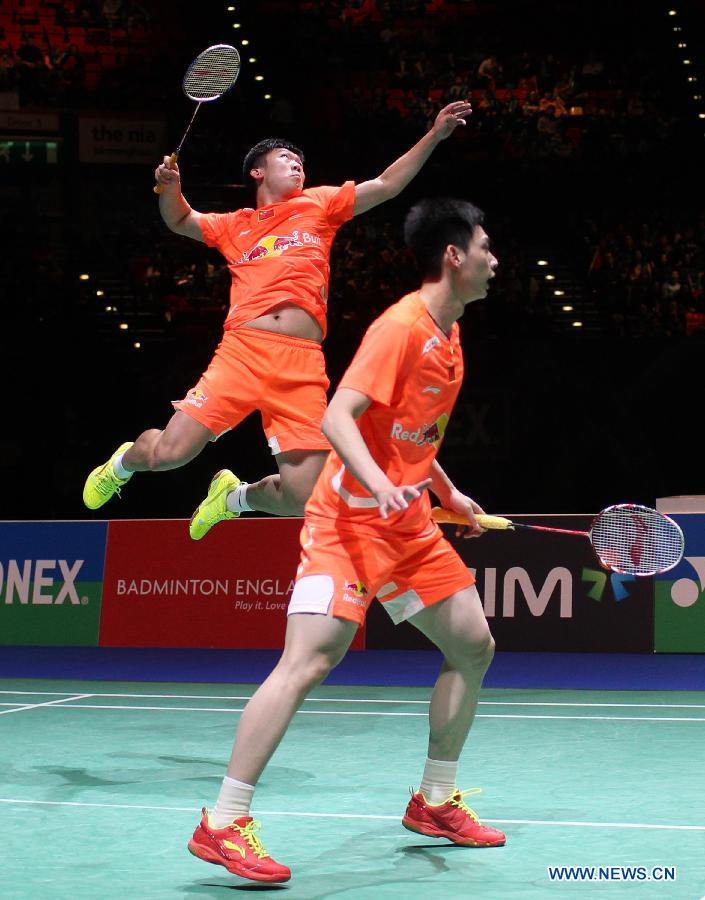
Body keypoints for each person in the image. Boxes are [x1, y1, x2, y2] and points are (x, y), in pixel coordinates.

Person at [187, 198, 502, 883]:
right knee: (308, 659)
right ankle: (221, 822)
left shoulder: (448, 335)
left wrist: (444, 492)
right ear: (453, 256)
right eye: (484, 247)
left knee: (472, 645)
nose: (493, 259)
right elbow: (338, 418)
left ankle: (435, 800)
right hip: (347, 523)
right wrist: (377, 484)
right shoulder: (401, 327)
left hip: (407, 525)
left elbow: (409, 430)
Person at [82, 101, 473, 536]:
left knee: (302, 497)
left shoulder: (319, 205)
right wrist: (170, 186)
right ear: (258, 172)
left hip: (302, 365)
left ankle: (232, 497)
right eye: (286, 158)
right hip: (243, 353)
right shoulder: (236, 226)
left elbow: (386, 184)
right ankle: (120, 465)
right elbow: (179, 219)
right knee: (170, 454)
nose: (297, 164)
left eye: (301, 161)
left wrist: (434, 135)